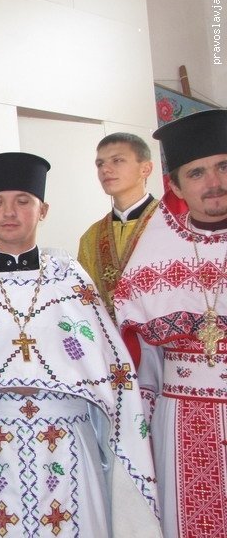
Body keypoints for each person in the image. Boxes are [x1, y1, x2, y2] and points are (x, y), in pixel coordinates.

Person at [0, 152, 161, 538]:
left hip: (66, 441)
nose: (8, 212)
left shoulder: (73, 282)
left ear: (43, 210)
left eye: (23, 201)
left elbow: (114, 374)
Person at [114, 109, 227, 538]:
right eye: (196, 173)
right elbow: (139, 361)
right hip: (182, 422)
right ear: (176, 187)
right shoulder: (153, 257)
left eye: (223, 166)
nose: (213, 182)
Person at [77, 133, 157, 365]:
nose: (105, 169)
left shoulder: (170, 224)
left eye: (117, 160)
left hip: (165, 346)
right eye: (100, 164)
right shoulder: (92, 236)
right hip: (112, 351)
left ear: (146, 169)